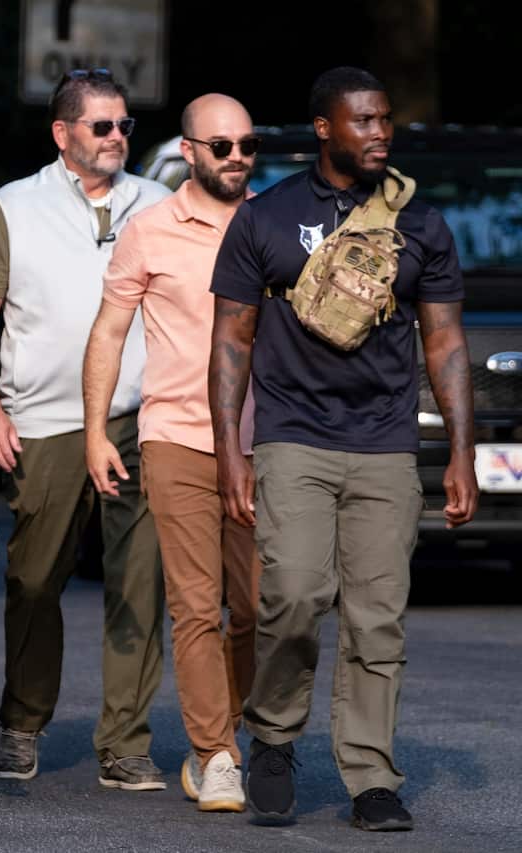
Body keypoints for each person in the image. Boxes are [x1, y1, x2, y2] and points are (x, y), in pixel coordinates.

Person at [209, 67, 477, 831]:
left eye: (385, 119)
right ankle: (273, 734)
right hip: (293, 435)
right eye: (363, 120)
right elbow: (231, 339)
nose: (380, 132)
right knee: (292, 594)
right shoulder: (267, 216)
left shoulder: (419, 221)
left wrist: (458, 448)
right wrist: (232, 448)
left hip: (387, 443)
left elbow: (446, 340)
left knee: (377, 616)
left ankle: (370, 774)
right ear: (324, 128)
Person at [0, 68, 167, 789]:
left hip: (140, 419)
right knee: (35, 579)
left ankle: (125, 741)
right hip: (43, 423)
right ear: (62, 133)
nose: (116, 138)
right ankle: (22, 721)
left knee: (140, 582)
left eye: (124, 125)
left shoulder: (161, 204)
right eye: (101, 126)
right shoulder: (12, 207)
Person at [83, 93, 262, 813]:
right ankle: (215, 754)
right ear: (187, 151)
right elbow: (107, 332)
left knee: (261, 609)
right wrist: (97, 428)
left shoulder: (277, 223)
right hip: (177, 438)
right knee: (194, 606)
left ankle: (230, 726)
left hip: (266, 444)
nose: (238, 158)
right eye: (221, 146)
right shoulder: (149, 231)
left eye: (247, 145)